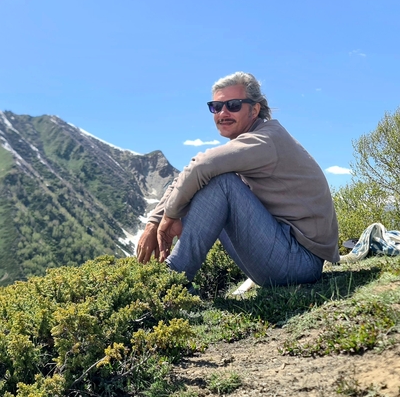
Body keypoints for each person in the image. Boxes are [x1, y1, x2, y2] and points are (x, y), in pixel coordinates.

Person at [136, 72, 339, 287]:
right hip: (284, 251)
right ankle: (168, 273)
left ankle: (171, 281)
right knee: (200, 181)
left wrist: (169, 216)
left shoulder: (266, 139)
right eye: (216, 106)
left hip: (300, 263)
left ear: (255, 109)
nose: (223, 113)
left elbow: (202, 166)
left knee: (220, 182)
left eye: (233, 105)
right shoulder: (252, 140)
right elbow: (190, 174)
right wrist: (154, 222)